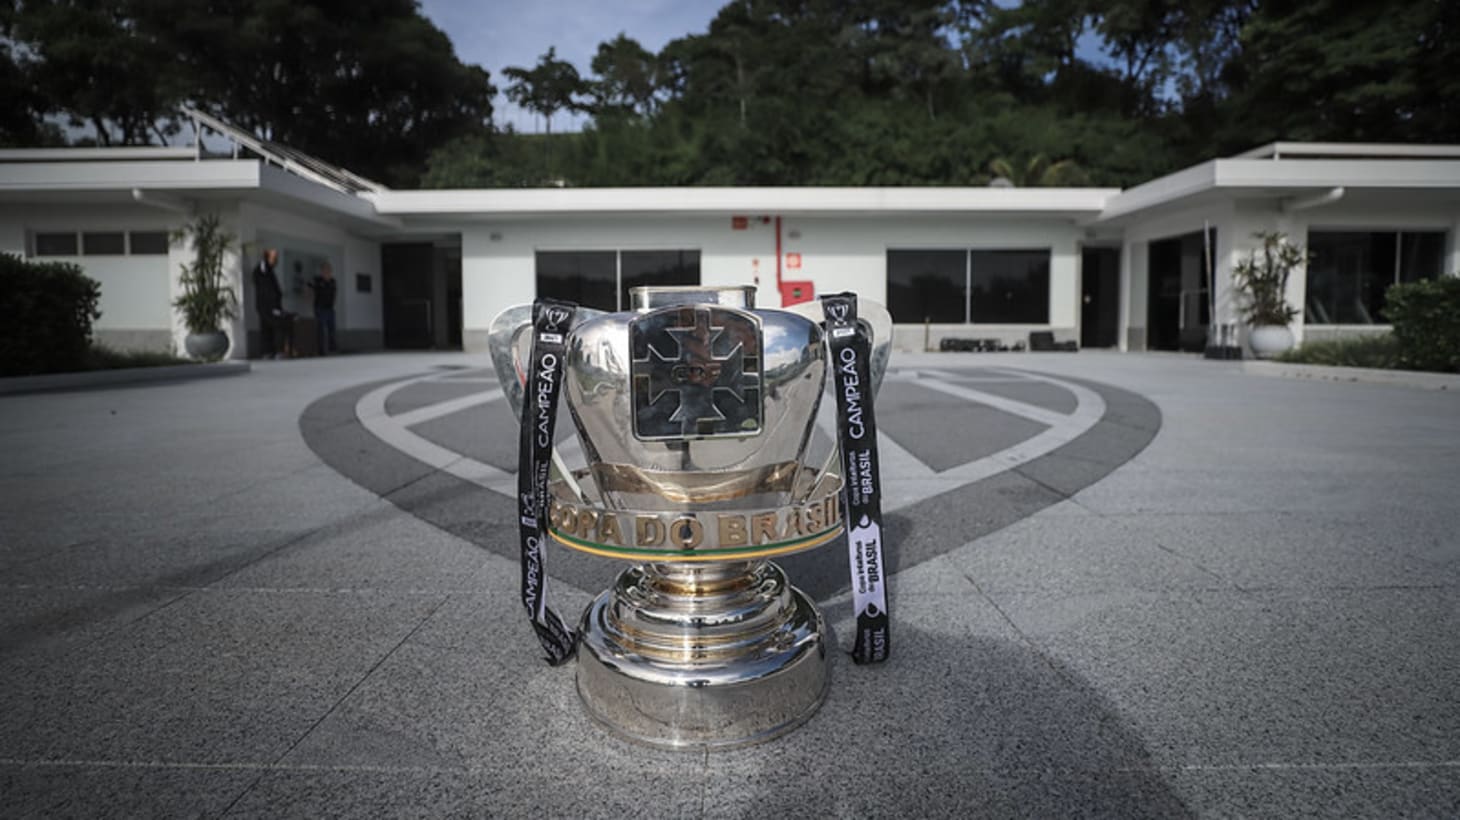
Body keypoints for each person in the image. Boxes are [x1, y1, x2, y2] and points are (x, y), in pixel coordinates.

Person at [252, 248, 286, 359]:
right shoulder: (262, 269)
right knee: (277, 326)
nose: (276, 260)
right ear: (267, 257)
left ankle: (268, 352)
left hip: (269, 305)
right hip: (267, 305)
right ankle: (276, 351)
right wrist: (274, 302)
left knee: (267, 327)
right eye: (274, 258)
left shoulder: (270, 270)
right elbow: (265, 287)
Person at [306, 261, 338, 355]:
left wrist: (333, 302)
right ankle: (321, 351)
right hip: (320, 308)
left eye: (329, 270)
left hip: (330, 308)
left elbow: (335, 293)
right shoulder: (317, 280)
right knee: (321, 330)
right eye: (325, 270)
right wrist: (310, 298)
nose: (327, 272)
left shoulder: (333, 281)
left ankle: (332, 349)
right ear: (322, 271)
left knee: (332, 329)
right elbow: (308, 286)